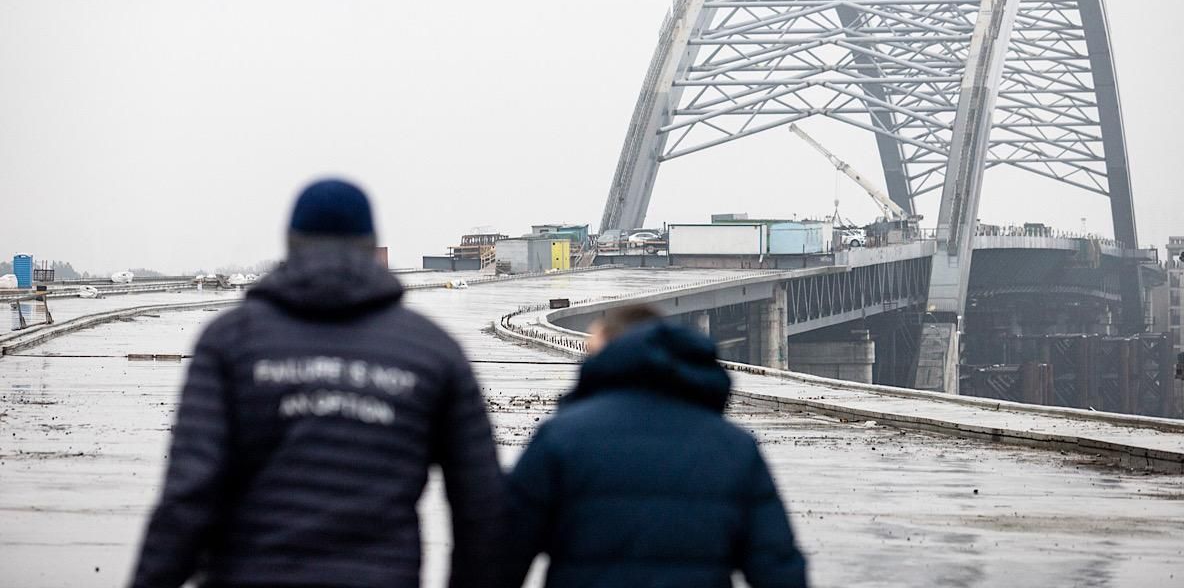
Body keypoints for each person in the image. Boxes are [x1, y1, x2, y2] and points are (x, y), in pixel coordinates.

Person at [130, 179, 502, 588]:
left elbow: (188, 495)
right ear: (371, 246)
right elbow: (482, 511)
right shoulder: (433, 352)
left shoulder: (231, 342)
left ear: (289, 242)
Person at [501, 305, 808, 588]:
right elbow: (777, 567)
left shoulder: (560, 438)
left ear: (609, 351)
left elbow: (502, 552)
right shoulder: (734, 447)